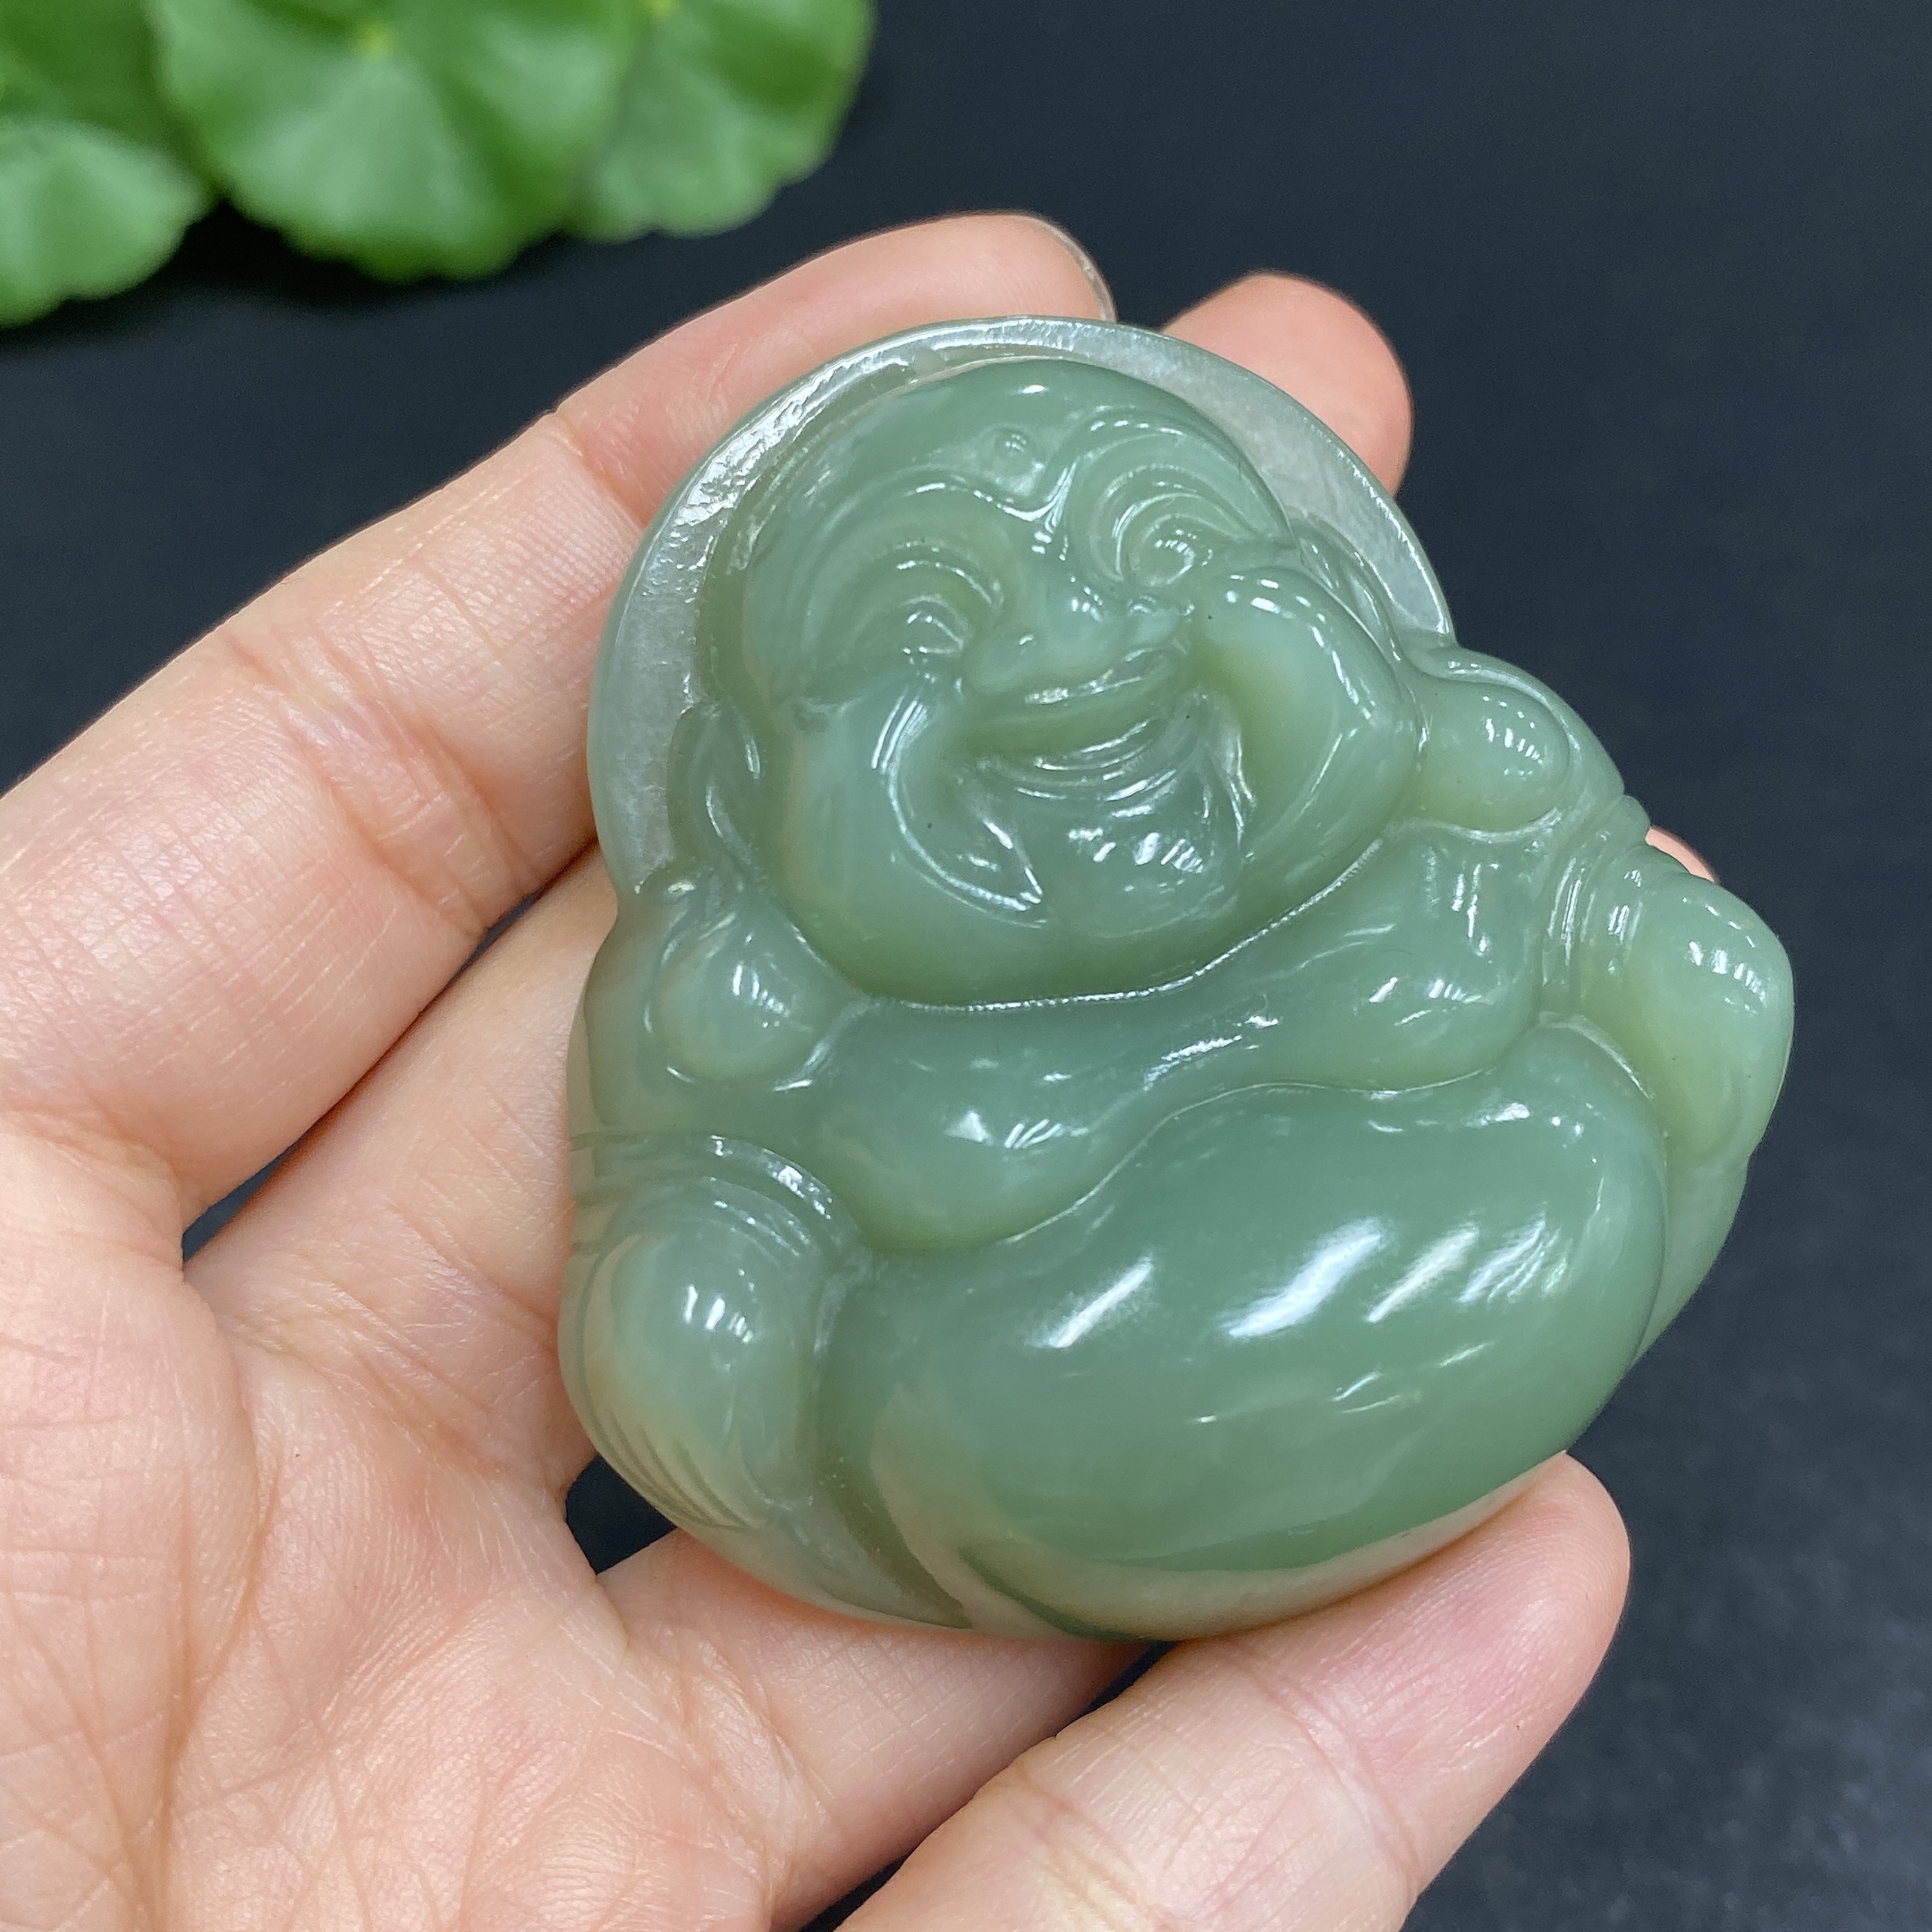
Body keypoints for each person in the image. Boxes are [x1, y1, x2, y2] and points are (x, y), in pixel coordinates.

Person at [0, 216, 1640, 1930]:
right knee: (933, 1397)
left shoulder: (1451, 801)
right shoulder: (758, 1002)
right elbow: (687, 1251)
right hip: (1029, 1424)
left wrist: (1611, 949)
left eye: (1164, 547)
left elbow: (1654, 971)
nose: (1072, 653)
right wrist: (703, 1288)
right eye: (922, 620)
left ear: (1340, 611)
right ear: (750, 787)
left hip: (1512, 1238)